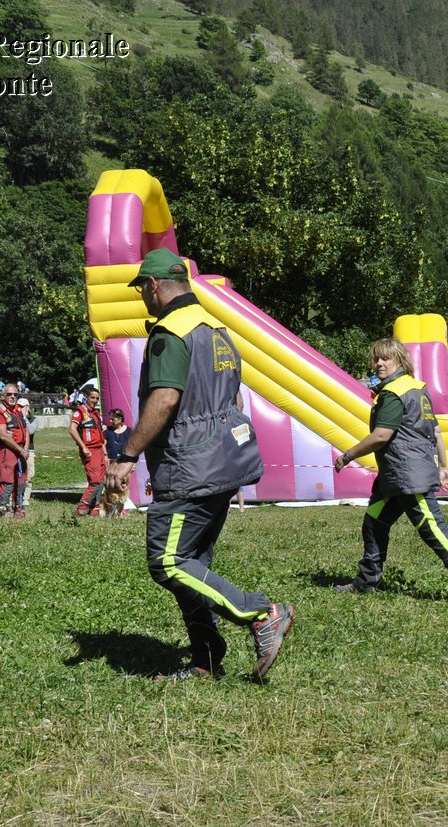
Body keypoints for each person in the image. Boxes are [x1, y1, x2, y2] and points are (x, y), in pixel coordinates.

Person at [104, 247, 294, 681]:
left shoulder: (170, 333)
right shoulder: (217, 330)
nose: (142, 299)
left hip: (189, 468)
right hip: (223, 461)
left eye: (142, 291)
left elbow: (166, 398)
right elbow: (235, 399)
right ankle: (206, 658)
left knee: (168, 562)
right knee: (193, 566)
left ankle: (261, 614)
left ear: (154, 286)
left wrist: (128, 456)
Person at [332, 336, 448, 605]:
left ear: (399, 360)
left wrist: (348, 455)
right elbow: (435, 431)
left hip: (408, 477)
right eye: (376, 358)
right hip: (395, 477)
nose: (379, 363)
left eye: (385, 358)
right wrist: (443, 466)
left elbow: (381, 435)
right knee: (374, 522)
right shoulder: (416, 389)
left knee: (433, 530)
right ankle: (366, 581)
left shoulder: (394, 393)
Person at [0, 385, 29, 517]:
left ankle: (18, 508)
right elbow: (3, 435)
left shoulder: (18, 410)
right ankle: (3, 509)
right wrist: (20, 449)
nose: (13, 397)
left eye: (15, 395)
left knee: (21, 480)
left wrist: (25, 448)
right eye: (10, 394)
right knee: (7, 481)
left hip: (21, 450)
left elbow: (25, 430)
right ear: (2, 396)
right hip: (7, 450)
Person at [69, 384, 107, 516]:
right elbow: (72, 429)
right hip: (90, 449)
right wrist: (83, 447)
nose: (95, 401)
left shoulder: (96, 414)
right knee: (95, 480)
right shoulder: (80, 411)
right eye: (92, 398)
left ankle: (95, 507)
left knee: (101, 480)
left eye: (97, 398)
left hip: (100, 450)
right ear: (86, 397)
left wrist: (105, 453)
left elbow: (101, 435)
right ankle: (81, 508)